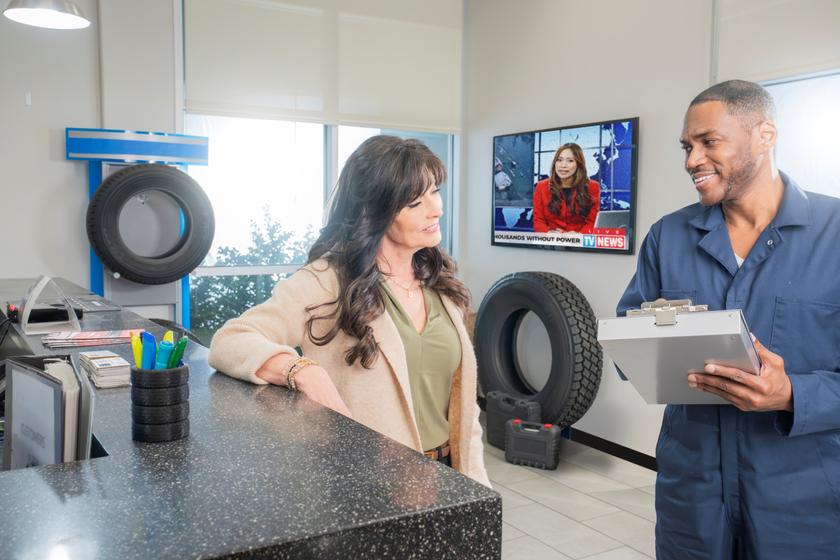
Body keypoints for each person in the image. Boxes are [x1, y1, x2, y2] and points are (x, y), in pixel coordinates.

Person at [618, 80, 840, 559]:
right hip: (693, 497)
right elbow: (628, 339)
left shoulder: (835, 235)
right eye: (687, 146)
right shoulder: (667, 237)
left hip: (805, 503)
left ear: (764, 135)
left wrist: (793, 394)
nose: (691, 160)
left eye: (708, 142)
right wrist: (643, 343)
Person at [208, 135, 490, 487]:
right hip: (368, 482)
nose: (436, 209)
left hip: (450, 474)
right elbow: (230, 340)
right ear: (377, 211)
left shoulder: (441, 283)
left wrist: (479, 483)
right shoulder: (328, 281)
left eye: (435, 191)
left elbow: (464, 409)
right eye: (416, 202)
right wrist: (301, 370)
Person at [532, 143, 600, 232]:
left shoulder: (593, 187)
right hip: (551, 242)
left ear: (579, 164)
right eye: (559, 160)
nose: (563, 165)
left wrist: (579, 235)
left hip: (580, 242)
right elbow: (538, 221)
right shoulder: (541, 187)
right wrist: (548, 234)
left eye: (570, 161)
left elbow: (593, 222)